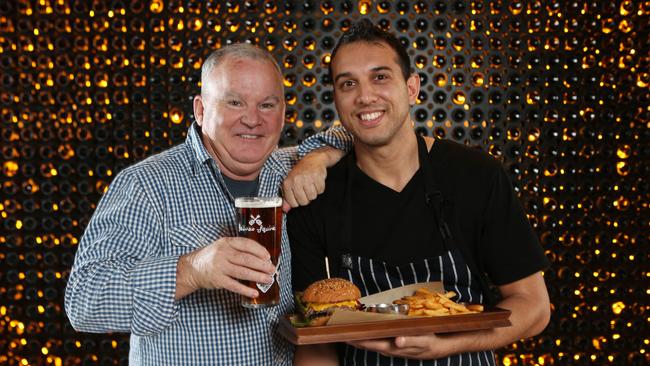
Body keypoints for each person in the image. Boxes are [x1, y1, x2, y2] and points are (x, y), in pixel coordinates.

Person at [65, 43, 351, 365]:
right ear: (201, 111)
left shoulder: (288, 168)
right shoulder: (146, 185)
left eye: (267, 105)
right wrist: (191, 270)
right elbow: (84, 301)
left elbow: (351, 131)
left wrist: (318, 157)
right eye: (234, 102)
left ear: (283, 114)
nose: (253, 119)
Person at [289, 19, 551, 365]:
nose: (365, 96)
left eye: (380, 77)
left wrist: (447, 346)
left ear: (411, 88)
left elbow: (534, 306)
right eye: (348, 83)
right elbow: (316, 341)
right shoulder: (315, 194)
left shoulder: (476, 176)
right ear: (336, 100)